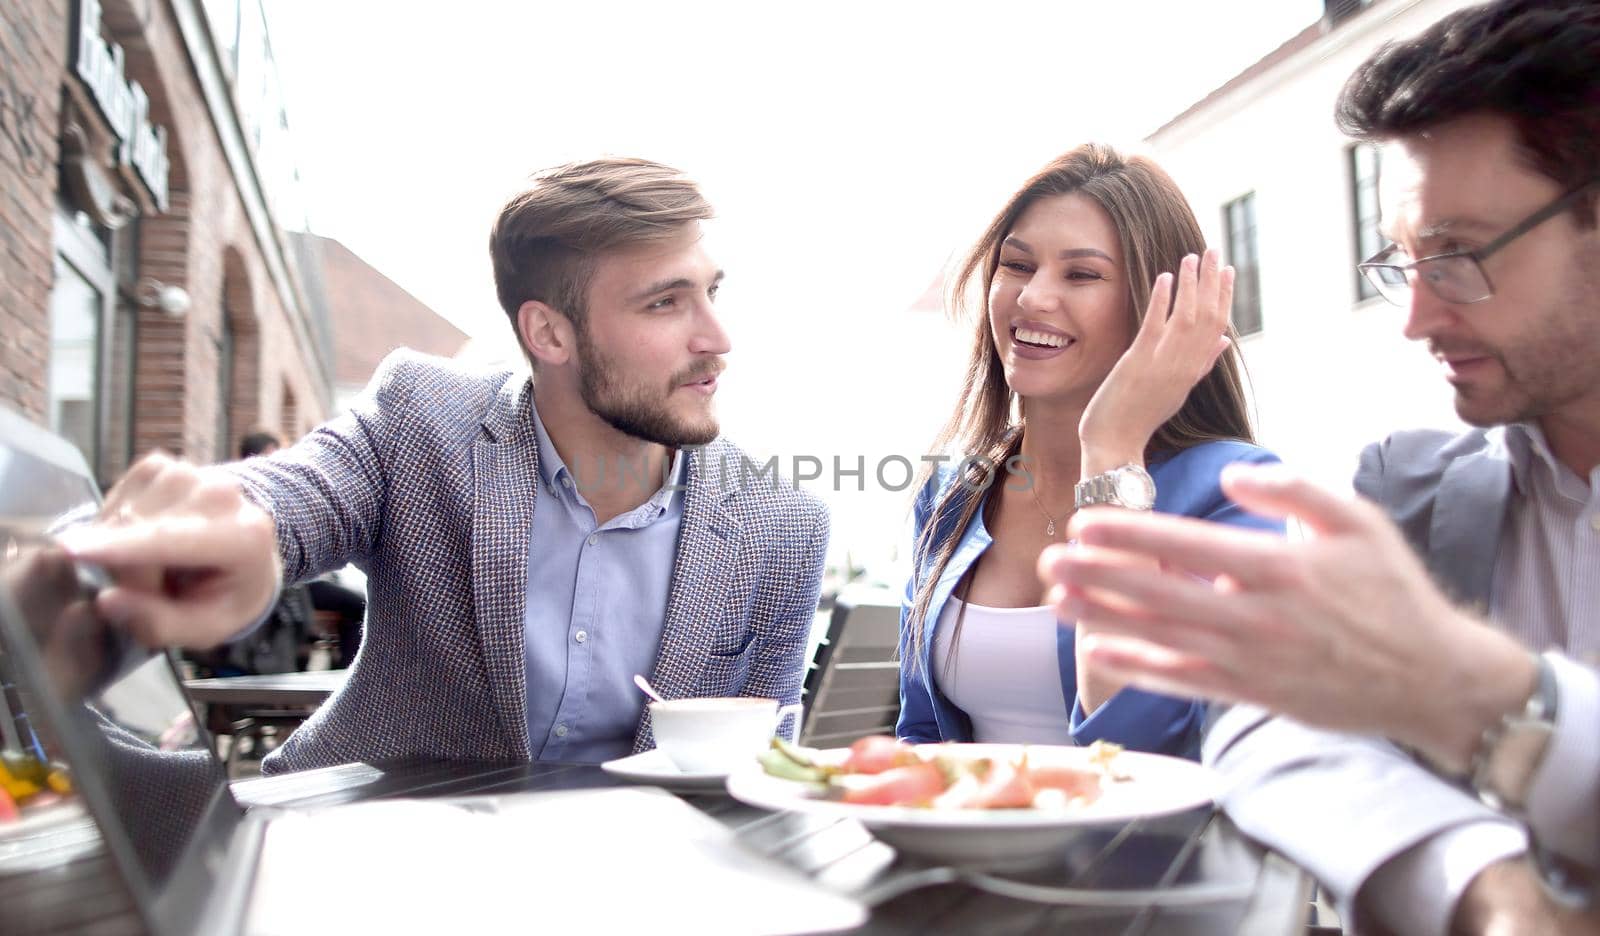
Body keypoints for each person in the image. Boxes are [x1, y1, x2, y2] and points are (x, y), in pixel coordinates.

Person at [1037, 2, 1599, 932]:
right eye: (1403, 262)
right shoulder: (1406, 490)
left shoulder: (1237, 484)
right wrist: (1478, 880)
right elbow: (1264, 726)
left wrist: (1503, 705)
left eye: (1459, 256)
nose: (1414, 320)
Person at [61, 157, 831, 773]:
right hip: (376, 849)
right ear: (549, 334)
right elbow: (297, 495)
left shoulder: (782, 526)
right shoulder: (423, 418)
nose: (717, 337)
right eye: (665, 303)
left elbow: (760, 770)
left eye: (712, 292)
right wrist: (234, 525)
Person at [896, 143, 1282, 759]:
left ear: (1161, 310)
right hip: (969, 849)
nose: (1033, 298)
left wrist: (1113, 449)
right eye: (1017, 265)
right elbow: (921, 737)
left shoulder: (1236, 490)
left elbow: (1139, 747)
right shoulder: (952, 495)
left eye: (1082, 274)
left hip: (1148, 852)